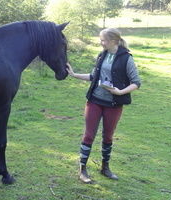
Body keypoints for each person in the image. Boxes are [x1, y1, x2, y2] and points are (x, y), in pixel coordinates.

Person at [66, 28, 141, 184]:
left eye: (103, 40)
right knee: (88, 135)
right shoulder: (102, 55)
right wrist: (74, 75)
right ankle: (82, 170)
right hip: (94, 101)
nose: (101, 43)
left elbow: (136, 82)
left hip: (113, 104)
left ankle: (105, 168)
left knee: (108, 136)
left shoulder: (126, 58)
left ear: (113, 41)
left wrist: (120, 92)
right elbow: (93, 76)